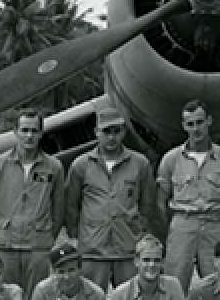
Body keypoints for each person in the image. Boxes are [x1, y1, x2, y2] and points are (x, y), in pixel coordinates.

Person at [63, 103, 158, 290]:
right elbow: (71, 205)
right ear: (96, 132)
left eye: (116, 131)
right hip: (93, 249)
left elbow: (148, 204)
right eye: (106, 131)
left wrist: (140, 233)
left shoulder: (140, 163)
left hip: (128, 248)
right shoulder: (81, 165)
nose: (112, 137)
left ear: (124, 131)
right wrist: (75, 237)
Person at [0, 108, 65, 300]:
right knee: (5, 297)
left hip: (38, 246)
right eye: (25, 130)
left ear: (41, 133)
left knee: (36, 298)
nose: (29, 136)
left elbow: (59, 207)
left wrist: (48, 235)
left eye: (34, 131)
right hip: (5, 244)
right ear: (15, 132)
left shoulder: (54, 167)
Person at [157, 99, 220, 285]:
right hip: (182, 223)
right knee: (174, 282)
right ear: (184, 126)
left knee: (218, 280)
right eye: (190, 124)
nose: (196, 129)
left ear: (209, 121)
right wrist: (173, 227)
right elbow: (160, 201)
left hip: (213, 223)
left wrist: (219, 223)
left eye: (200, 122)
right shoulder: (171, 160)